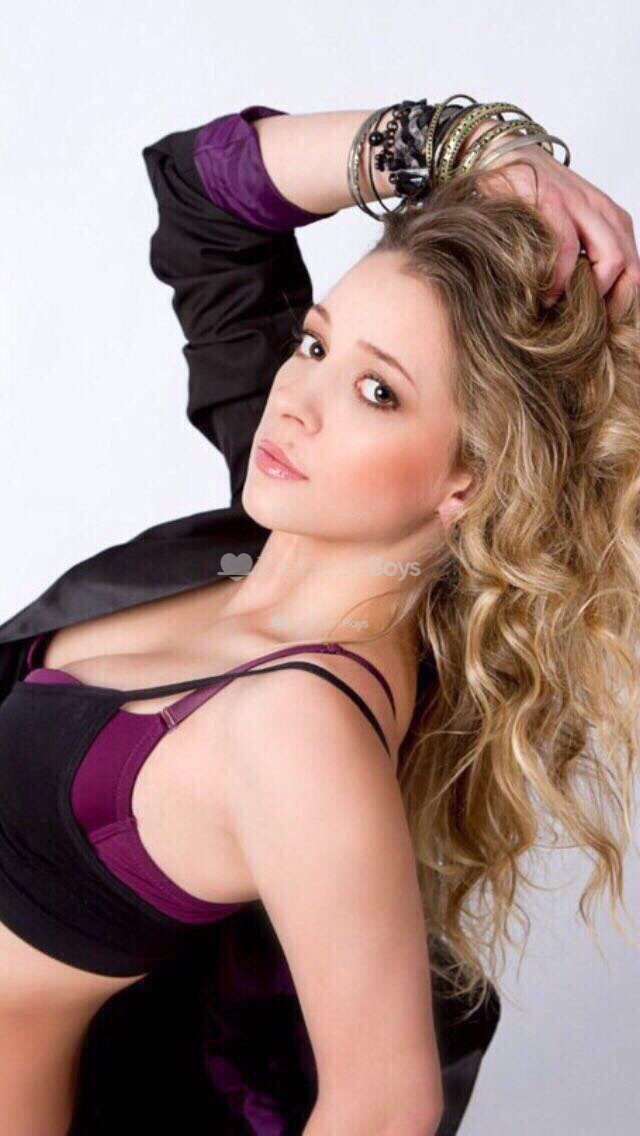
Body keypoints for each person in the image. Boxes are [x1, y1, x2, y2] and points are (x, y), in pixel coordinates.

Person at [0, 96, 638, 1136]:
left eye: (379, 392)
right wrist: (474, 146)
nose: (297, 400)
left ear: (467, 484)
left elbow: (383, 1108)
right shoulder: (279, 529)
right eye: (312, 345)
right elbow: (205, 196)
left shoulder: (300, 726)